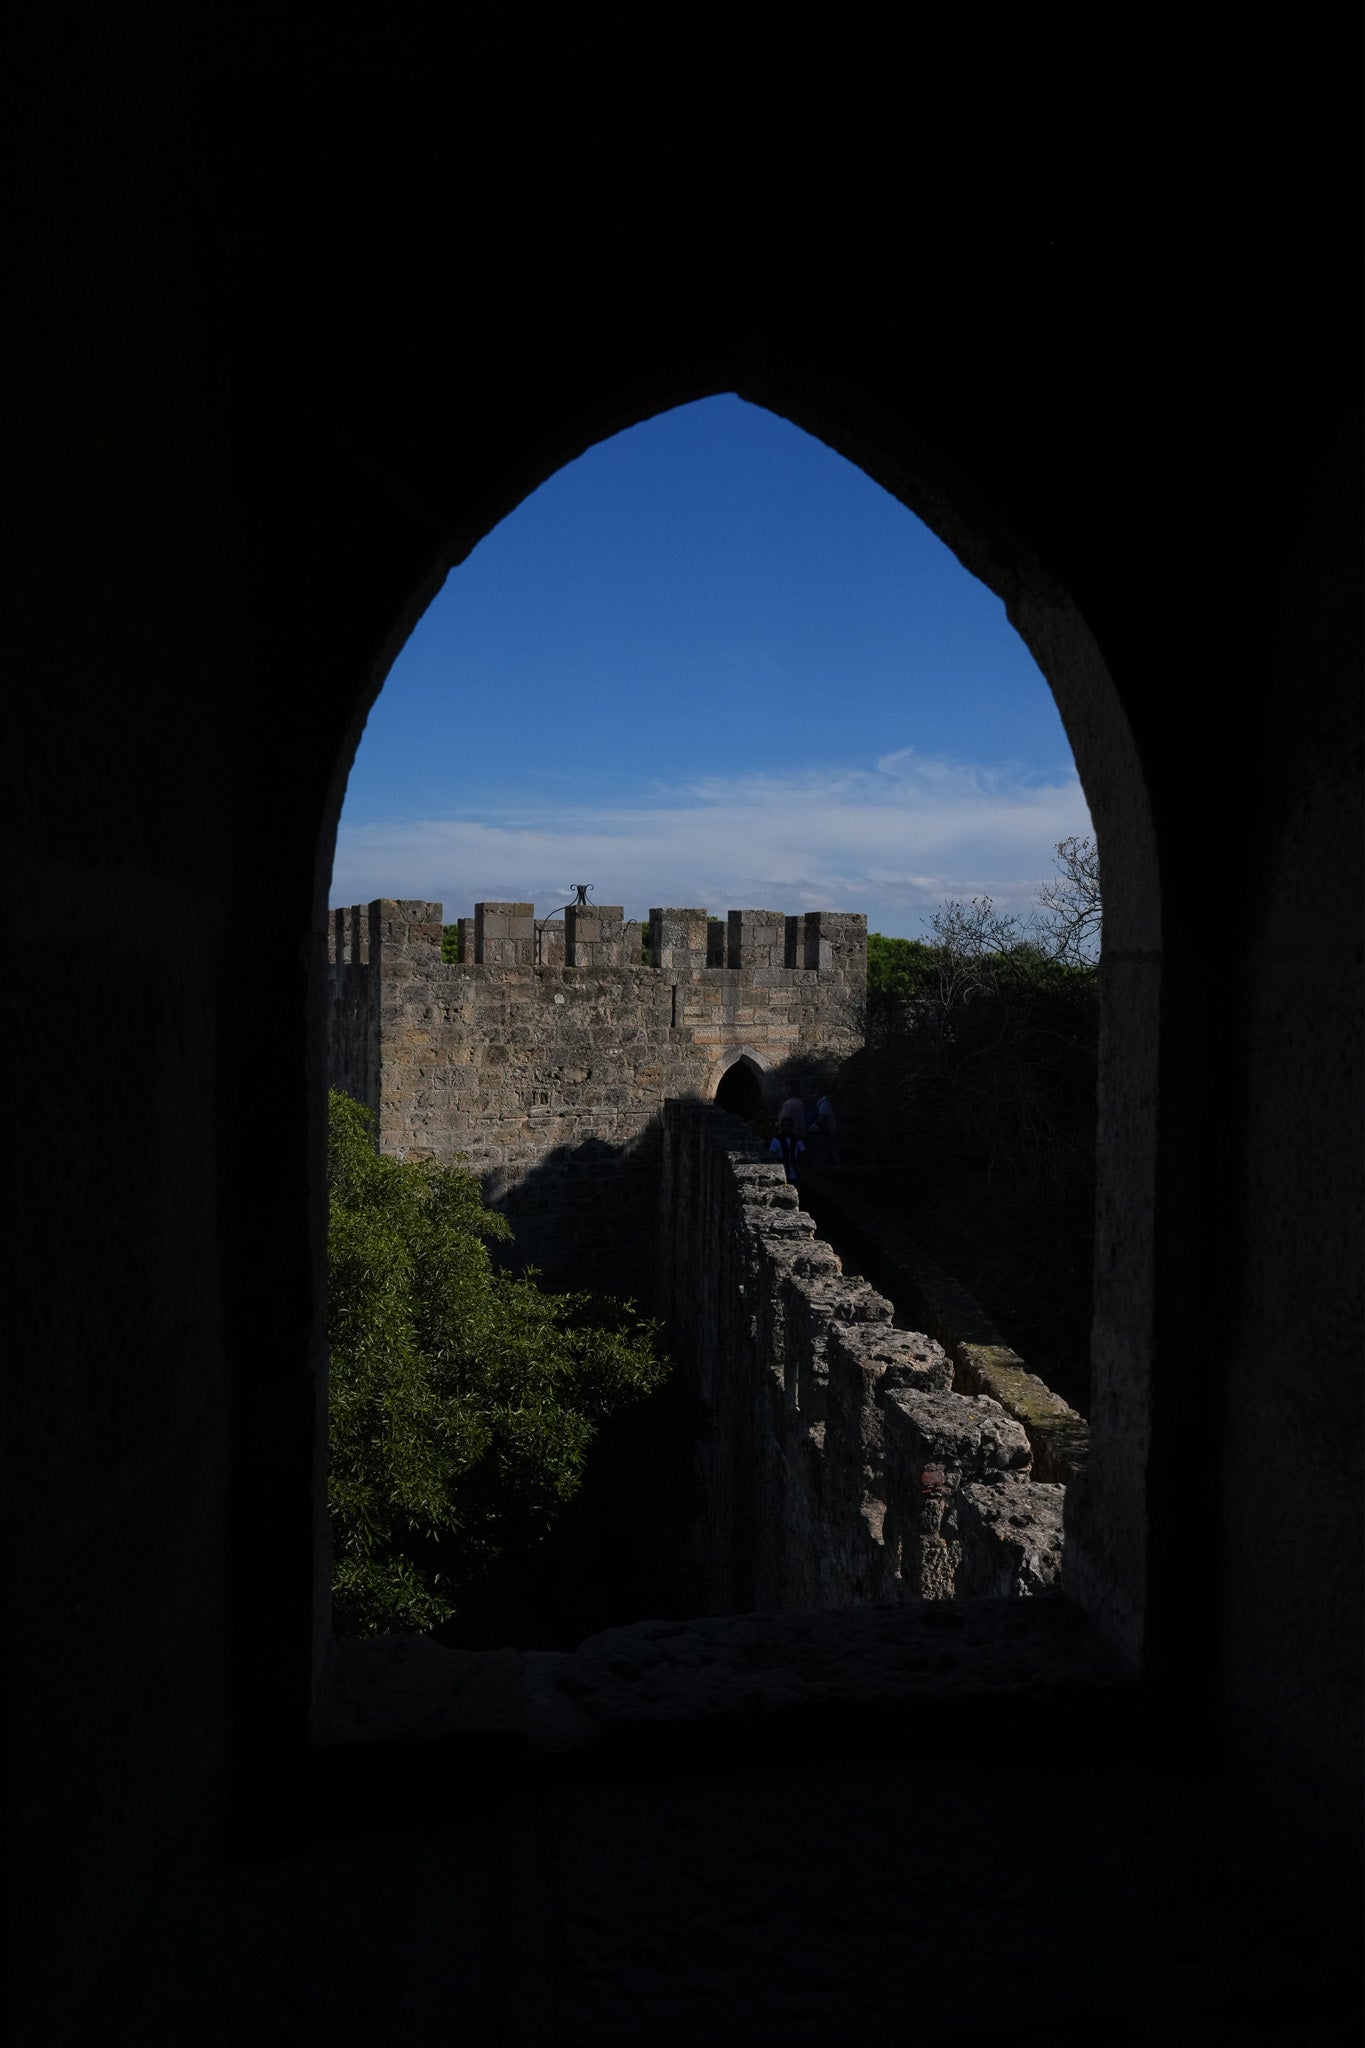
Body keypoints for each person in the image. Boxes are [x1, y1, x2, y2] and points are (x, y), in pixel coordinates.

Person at [769, 1116, 805, 1186]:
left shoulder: (797, 1139)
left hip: (795, 1171)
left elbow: (803, 1152)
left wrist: (796, 1159)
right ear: (782, 1126)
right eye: (785, 1125)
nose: (786, 1127)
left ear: (791, 1126)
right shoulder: (776, 1140)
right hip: (781, 1171)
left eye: (788, 1125)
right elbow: (771, 1154)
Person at [814, 1087, 838, 1165]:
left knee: (824, 1149)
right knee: (830, 1149)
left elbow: (822, 1117)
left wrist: (816, 1128)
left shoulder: (824, 1103)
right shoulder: (823, 1103)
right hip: (828, 1130)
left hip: (826, 1131)